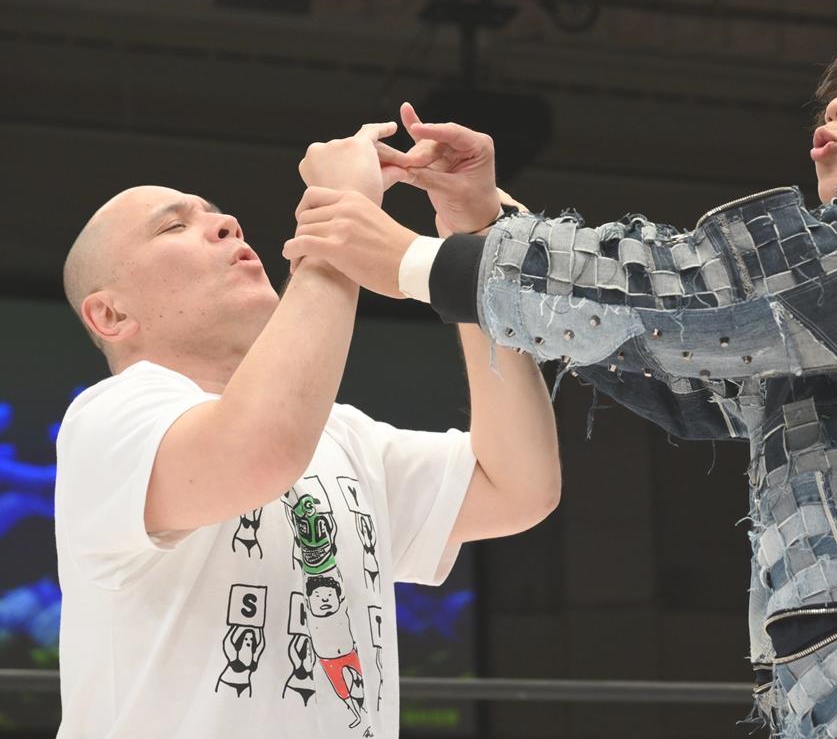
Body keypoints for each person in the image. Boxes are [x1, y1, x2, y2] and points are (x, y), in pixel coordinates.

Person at [285, 25, 837, 738]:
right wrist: (477, 221)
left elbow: (710, 286)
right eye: (834, 97)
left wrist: (416, 263)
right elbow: (683, 367)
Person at [54, 123, 560, 738]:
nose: (227, 224)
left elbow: (519, 487)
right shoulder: (109, 418)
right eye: (174, 226)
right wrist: (340, 225)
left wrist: (473, 245)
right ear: (110, 314)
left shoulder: (343, 436)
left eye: (217, 214)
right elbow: (259, 453)